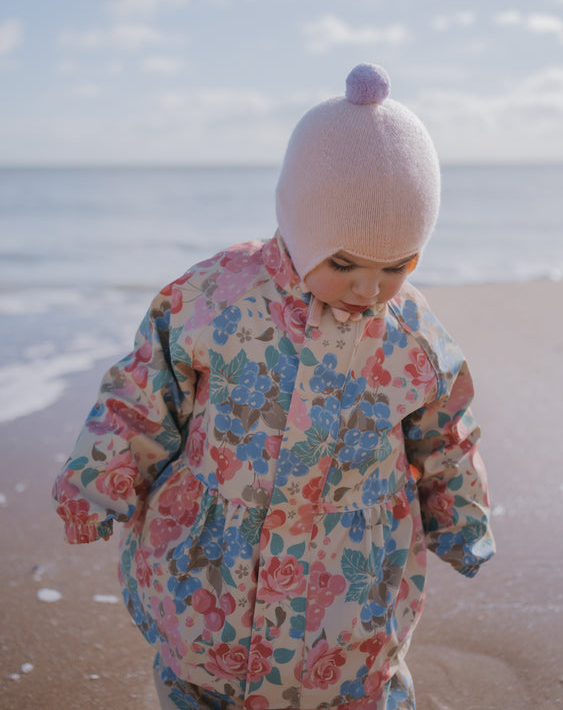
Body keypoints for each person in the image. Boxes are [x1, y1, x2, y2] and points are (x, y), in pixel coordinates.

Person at [52, 63, 495, 710]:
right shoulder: (216, 299)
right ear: (298, 223)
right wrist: (98, 483)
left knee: (362, 688)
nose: (369, 289)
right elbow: (144, 397)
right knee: (196, 677)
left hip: (348, 592)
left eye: (396, 266)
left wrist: (463, 519)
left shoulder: (413, 337)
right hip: (212, 569)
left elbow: (446, 437)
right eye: (343, 263)